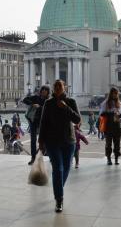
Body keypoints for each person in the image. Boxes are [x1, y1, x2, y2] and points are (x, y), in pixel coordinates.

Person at [39, 80, 81, 213]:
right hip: (52, 141)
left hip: (69, 140)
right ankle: (59, 199)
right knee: (58, 169)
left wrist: (65, 107)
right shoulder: (48, 103)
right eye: (55, 86)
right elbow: (43, 122)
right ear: (53, 88)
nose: (57, 88)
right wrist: (41, 141)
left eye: (60, 86)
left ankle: (58, 188)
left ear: (64, 88)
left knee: (67, 168)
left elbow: (77, 119)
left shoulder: (71, 102)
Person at [22, 85, 50, 165]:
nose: (44, 91)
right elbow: (24, 100)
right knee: (33, 140)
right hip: (33, 121)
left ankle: (44, 154)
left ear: (48, 92)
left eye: (46, 90)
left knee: (45, 140)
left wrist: (39, 107)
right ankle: (33, 158)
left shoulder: (48, 100)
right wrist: (32, 103)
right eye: (43, 90)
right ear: (41, 91)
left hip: (43, 122)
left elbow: (48, 110)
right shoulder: (36, 97)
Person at [99, 87, 121, 165]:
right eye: (113, 93)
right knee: (108, 144)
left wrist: (119, 115)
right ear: (111, 93)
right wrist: (111, 113)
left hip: (117, 125)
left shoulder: (118, 102)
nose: (115, 95)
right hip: (108, 126)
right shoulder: (105, 103)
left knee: (117, 143)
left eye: (116, 93)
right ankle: (109, 159)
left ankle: (116, 159)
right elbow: (101, 114)